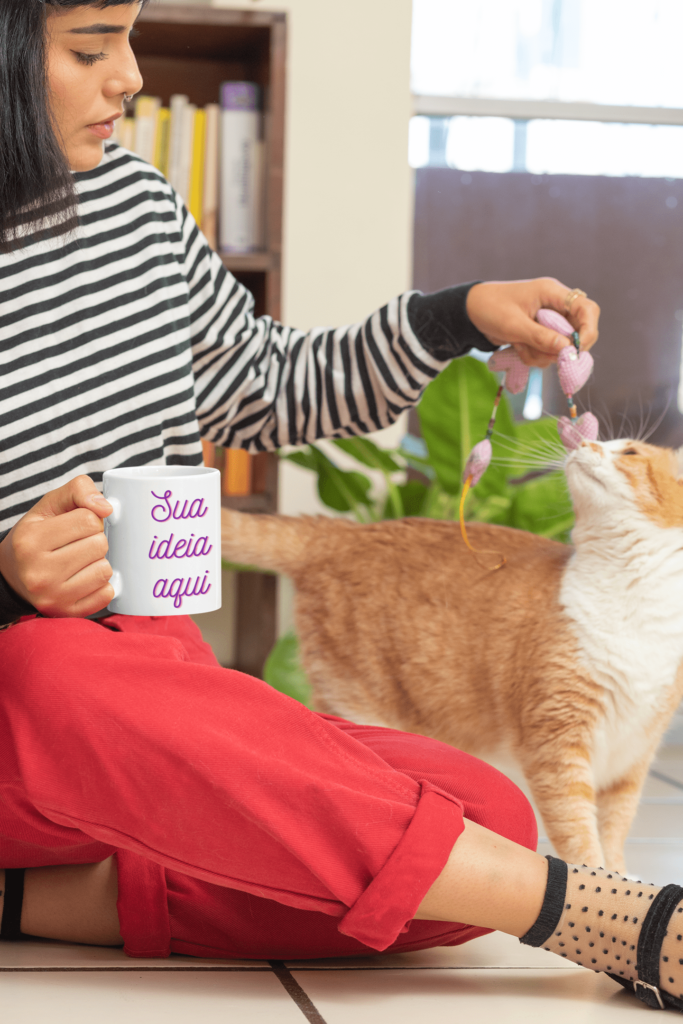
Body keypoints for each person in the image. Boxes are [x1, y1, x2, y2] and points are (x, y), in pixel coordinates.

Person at [3, 1, 681, 1014]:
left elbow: (270, 386)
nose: (130, 76)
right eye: (92, 48)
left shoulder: (136, 207)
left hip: (162, 685)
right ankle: (589, 914)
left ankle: (32, 898)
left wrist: (453, 316)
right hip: (41, 699)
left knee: (478, 808)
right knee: (53, 670)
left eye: (130, 39)